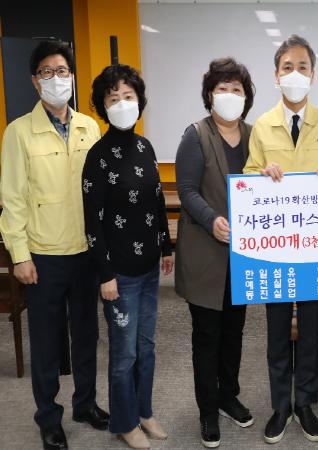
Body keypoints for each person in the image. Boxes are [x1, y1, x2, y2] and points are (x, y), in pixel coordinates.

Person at [0, 40, 108, 450]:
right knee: (46, 342)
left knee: (86, 336)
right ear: (35, 81)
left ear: (72, 77)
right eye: (47, 72)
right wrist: (19, 255)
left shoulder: (88, 127)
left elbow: (98, 192)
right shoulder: (18, 132)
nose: (56, 79)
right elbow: (12, 198)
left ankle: (85, 404)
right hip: (43, 255)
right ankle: (48, 416)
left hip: (84, 252)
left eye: (62, 71)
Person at [243, 34, 318, 444]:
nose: (295, 74)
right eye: (288, 67)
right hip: (276, 252)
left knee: (309, 331)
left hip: (314, 252)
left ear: (313, 75)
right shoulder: (262, 126)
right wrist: (260, 175)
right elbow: (246, 179)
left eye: (303, 67)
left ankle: (304, 402)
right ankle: (280, 405)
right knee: (275, 333)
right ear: (276, 75)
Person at [82, 64, 173, 450]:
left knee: (146, 347)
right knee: (124, 354)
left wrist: (166, 245)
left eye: (128, 96)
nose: (122, 103)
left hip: (149, 268)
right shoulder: (97, 157)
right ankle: (124, 422)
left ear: (139, 100)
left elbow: (156, 199)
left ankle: (144, 411)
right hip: (118, 274)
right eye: (113, 98)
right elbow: (92, 221)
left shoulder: (145, 147)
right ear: (103, 106)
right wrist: (105, 274)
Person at [174, 57, 255, 449]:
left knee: (234, 330)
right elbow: (186, 190)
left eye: (236, 89)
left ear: (246, 97)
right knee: (207, 333)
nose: (229, 95)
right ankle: (207, 408)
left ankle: (228, 395)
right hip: (206, 252)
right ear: (210, 94)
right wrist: (212, 220)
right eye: (222, 88)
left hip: (243, 254)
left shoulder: (256, 135)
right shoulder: (195, 135)